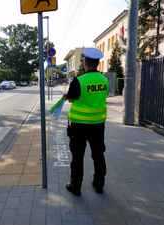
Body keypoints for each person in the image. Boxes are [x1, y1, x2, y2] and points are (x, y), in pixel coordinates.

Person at [63, 48, 109, 196]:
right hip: (98, 125)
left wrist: (66, 96)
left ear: (85, 63)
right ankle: (99, 184)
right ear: (98, 63)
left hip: (79, 126)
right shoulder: (104, 81)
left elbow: (71, 98)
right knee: (98, 155)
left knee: (78, 156)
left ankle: (76, 186)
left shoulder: (79, 81)